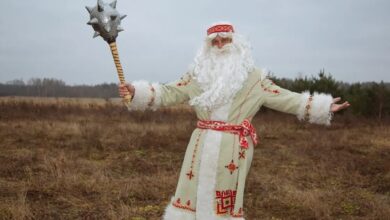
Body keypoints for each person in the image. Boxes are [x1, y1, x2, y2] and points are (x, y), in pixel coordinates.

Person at [118, 22, 350, 220]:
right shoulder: (197, 74)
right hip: (200, 143)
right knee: (191, 192)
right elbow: (168, 92)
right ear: (207, 46)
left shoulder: (253, 78)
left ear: (235, 42)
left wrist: (322, 105)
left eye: (225, 40)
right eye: (214, 42)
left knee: (225, 198)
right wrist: (135, 92)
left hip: (234, 147)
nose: (219, 46)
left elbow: (285, 98)